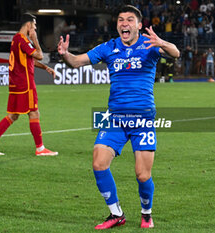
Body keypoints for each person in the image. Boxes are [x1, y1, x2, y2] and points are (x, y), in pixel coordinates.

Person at [57, 5, 179, 229]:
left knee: (143, 175)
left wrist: (162, 43)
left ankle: (146, 212)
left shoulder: (149, 45)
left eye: (130, 20)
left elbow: (175, 53)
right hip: (115, 119)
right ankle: (116, 214)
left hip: (142, 120)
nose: (125, 23)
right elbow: (76, 62)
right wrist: (66, 54)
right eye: (121, 20)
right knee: (98, 162)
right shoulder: (109, 47)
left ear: (139, 25)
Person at [0, 13, 58, 156]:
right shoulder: (23, 40)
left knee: (14, 115)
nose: (35, 28)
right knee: (34, 112)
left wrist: (45, 68)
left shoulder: (16, 39)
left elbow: (30, 60)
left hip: (16, 83)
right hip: (25, 83)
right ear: (28, 25)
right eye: (34, 25)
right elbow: (40, 55)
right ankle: (40, 149)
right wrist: (35, 40)